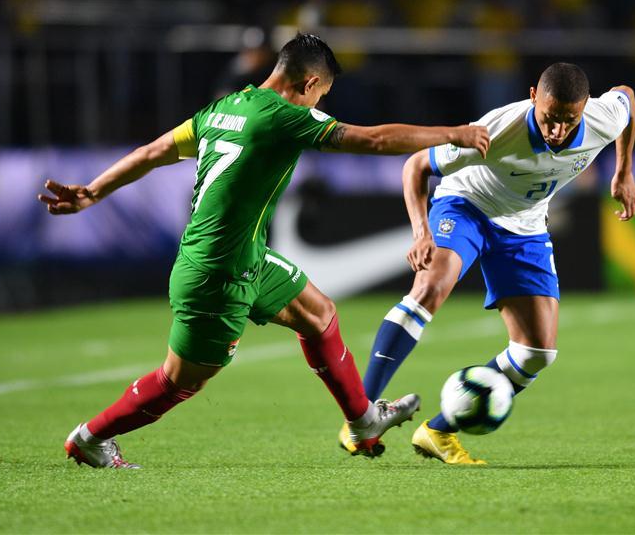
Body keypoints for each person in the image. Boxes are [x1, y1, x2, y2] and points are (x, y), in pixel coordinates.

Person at [38, 33, 490, 468]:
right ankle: (91, 437)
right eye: (322, 95)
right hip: (217, 275)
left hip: (245, 257)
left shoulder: (223, 108)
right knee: (178, 381)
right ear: (309, 84)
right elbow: (373, 140)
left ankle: (364, 420)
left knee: (318, 313)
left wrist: (94, 192)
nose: (320, 105)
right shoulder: (286, 116)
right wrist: (453, 133)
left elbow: (154, 151)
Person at [338, 63, 635, 464]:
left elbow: (628, 98)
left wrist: (623, 171)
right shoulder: (497, 131)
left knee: (536, 353)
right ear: (533, 96)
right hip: (466, 205)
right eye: (550, 119)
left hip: (525, 224)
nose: (557, 131)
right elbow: (416, 166)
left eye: (570, 121)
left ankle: (438, 431)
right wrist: (420, 231)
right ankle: (360, 417)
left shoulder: (603, 118)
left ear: (584, 108)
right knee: (429, 288)